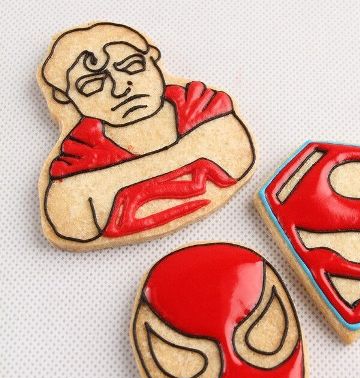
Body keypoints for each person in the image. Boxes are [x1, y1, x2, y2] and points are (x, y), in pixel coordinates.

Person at [40, 22, 254, 243]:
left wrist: (106, 183)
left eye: (132, 66)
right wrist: (188, 153)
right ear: (64, 98)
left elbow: (236, 158)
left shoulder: (194, 102)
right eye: (92, 84)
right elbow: (70, 223)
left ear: (152, 57)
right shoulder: (82, 146)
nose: (120, 89)